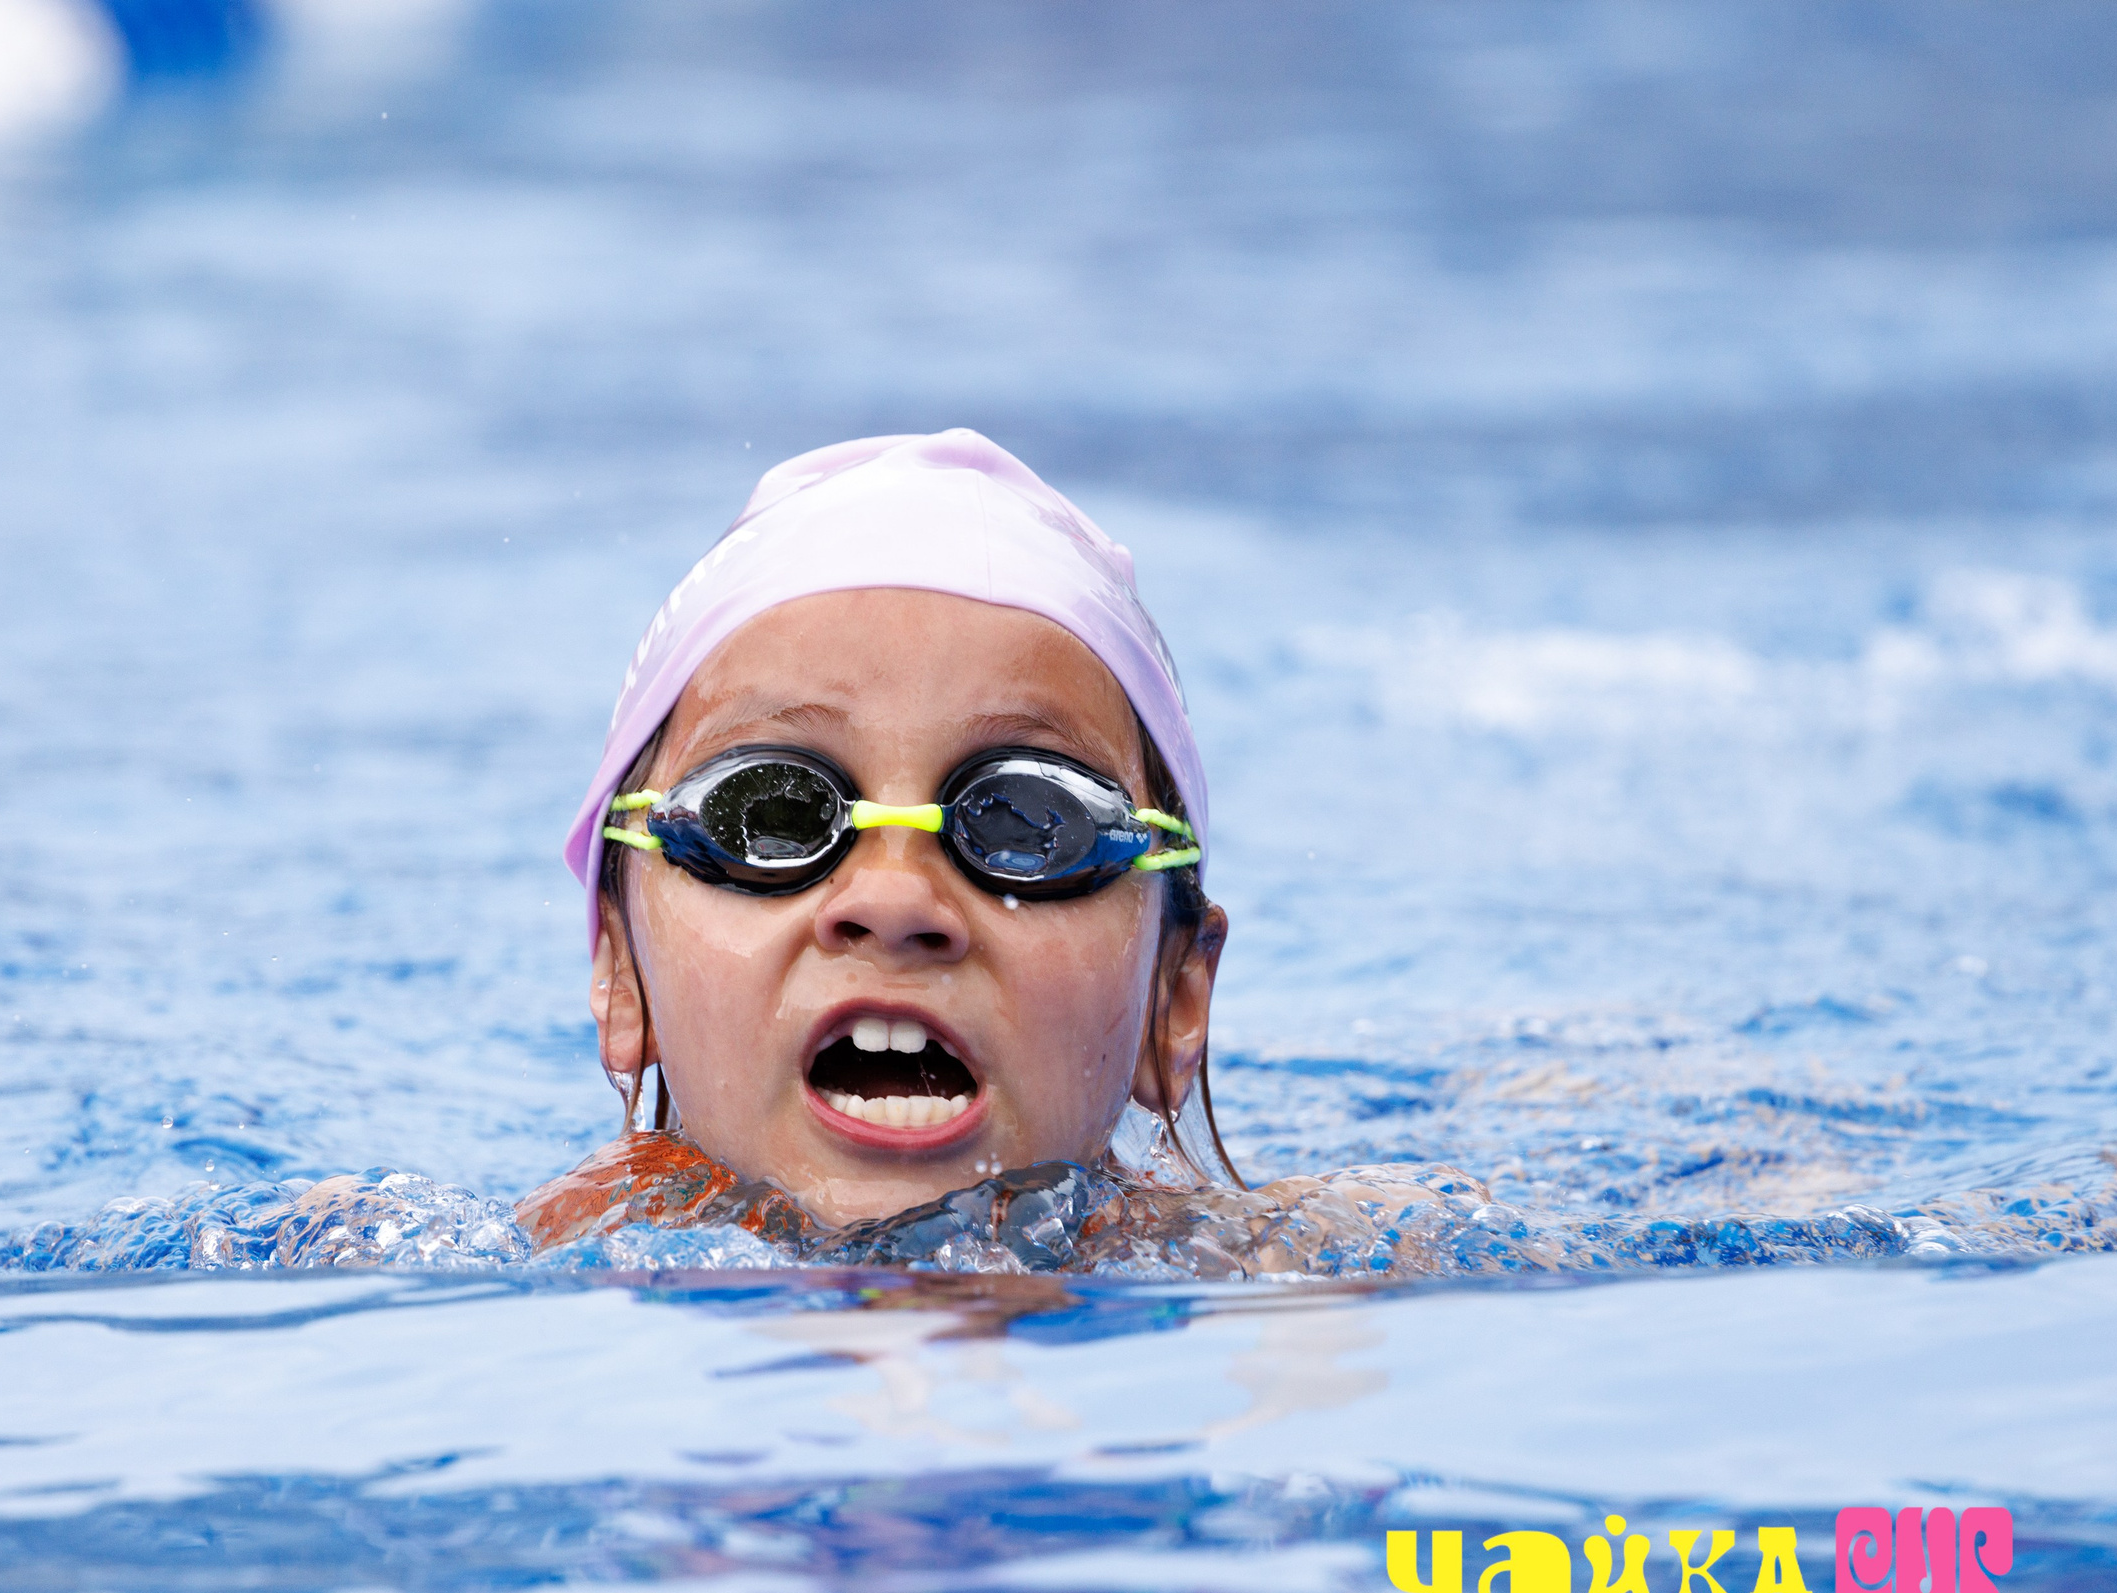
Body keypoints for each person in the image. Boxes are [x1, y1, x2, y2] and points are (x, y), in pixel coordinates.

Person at [506, 430, 1491, 1274]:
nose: (893, 901)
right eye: (770, 815)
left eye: (1026, 819)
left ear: (1174, 996)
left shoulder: (1301, 1266)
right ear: (619, 972)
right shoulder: (511, 1265)